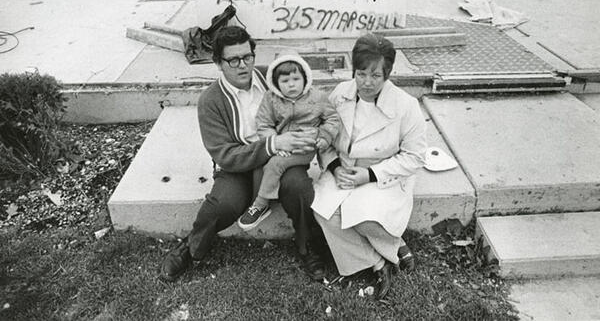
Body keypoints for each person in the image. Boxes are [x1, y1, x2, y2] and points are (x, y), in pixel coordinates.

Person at [159, 26, 328, 282]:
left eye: (248, 57)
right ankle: (190, 247)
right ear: (218, 63)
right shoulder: (211, 100)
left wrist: (313, 136)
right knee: (223, 204)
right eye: (233, 60)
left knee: (299, 187)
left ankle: (308, 246)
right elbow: (226, 155)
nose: (243, 66)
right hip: (239, 165)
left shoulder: (270, 79)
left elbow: (306, 102)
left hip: (281, 158)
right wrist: (272, 143)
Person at [311, 33, 427, 300]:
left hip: (382, 175)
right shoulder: (341, 93)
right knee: (324, 212)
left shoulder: (406, 106)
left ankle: (393, 243)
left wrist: (369, 174)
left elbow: (415, 156)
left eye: (376, 76)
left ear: (388, 73)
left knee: (362, 216)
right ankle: (377, 262)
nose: (366, 82)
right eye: (361, 73)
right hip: (344, 170)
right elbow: (325, 135)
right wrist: (334, 166)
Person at [237, 54, 339, 231]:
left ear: (305, 78)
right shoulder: (270, 98)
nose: (291, 84)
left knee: (275, 164)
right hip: (283, 143)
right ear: (276, 83)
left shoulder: (317, 97)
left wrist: (324, 137)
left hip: (306, 145)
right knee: (267, 161)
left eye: (296, 79)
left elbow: (332, 118)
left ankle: (261, 204)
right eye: (285, 81)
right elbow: (264, 123)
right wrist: (275, 143)